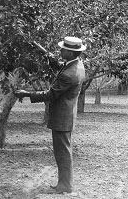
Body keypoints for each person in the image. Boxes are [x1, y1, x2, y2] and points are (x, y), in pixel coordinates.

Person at [15, 36, 86, 194]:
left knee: (62, 152)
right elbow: (60, 66)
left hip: (62, 117)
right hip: (67, 115)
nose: (60, 51)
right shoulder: (77, 65)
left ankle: (65, 185)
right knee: (63, 151)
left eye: (63, 49)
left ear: (69, 52)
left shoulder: (69, 74)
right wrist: (43, 51)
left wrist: (27, 94)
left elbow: (50, 94)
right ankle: (64, 183)